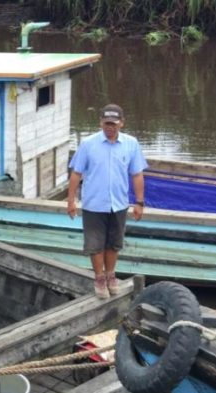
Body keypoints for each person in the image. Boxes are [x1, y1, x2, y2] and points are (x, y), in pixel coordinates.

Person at [67, 104, 147, 299]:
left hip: (119, 203)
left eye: (113, 123)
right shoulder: (88, 143)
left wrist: (139, 202)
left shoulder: (131, 143)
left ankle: (111, 275)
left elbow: (137, 174)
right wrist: (71, 200)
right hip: (94, 203)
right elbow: (76, 173)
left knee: (114, 243)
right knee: (95, 244)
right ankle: (99, 278)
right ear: (100, 123)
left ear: (121, 123)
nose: (109, 127)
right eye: (106, 123)